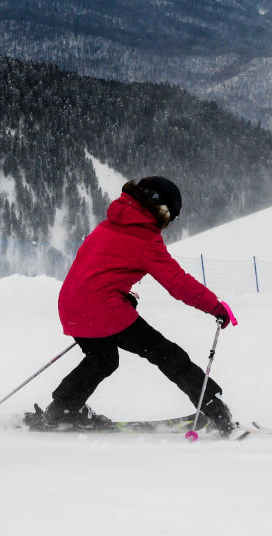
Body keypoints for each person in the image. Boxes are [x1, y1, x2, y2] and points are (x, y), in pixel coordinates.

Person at [26, 177, 239, 435]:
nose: (168, 222)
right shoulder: (145, 237)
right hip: (102, 309)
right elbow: (177, 282)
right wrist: (215, 307)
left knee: (102, 359)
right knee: (165, 353)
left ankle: (64, 408)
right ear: (161, 209)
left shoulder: (111, 222)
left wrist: (118, 294)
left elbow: (94, 268)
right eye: (170, 216)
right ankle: (214, 408)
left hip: (71, 306)